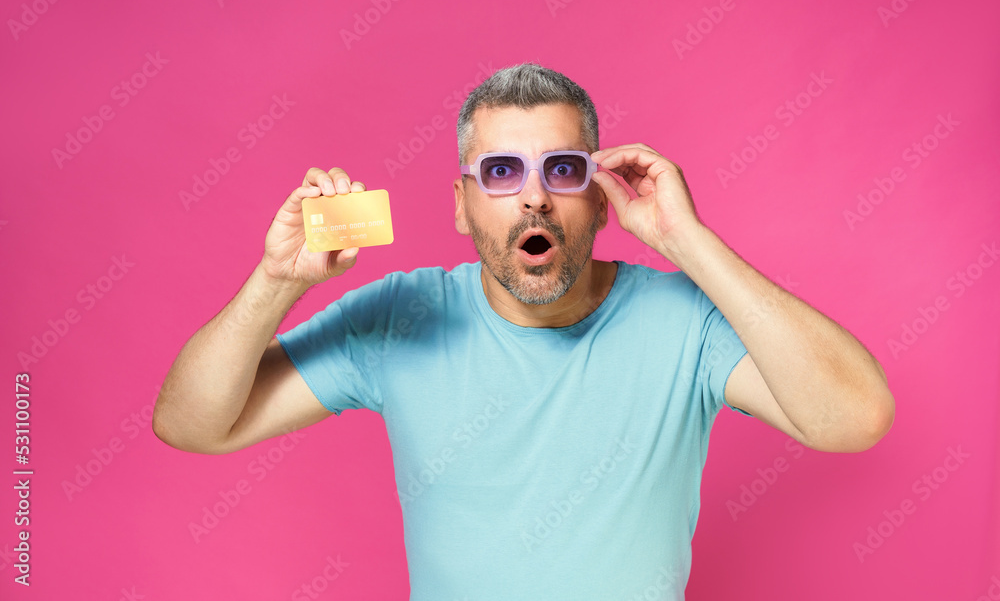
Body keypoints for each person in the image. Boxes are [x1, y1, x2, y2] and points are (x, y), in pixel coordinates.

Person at [152, 62, 895, 600]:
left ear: (602, 200)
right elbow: (191, 424)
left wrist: (688, 242)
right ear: (462, 205)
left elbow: (855, 417)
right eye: (502, 172)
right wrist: (275, 284)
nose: (534, 198)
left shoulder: (686, 321)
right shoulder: (398, 316)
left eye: (562, 171)